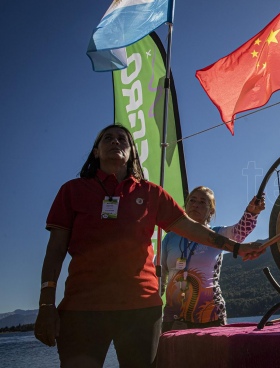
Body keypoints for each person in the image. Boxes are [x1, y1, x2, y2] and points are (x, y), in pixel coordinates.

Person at [33, 124, 264, 368]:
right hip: (82, 310)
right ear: (96, 152)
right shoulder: (72, 191)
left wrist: (236, 248)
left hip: (141, 311)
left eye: (122, 139)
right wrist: (46, 304)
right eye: (107, 138)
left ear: (132, 152)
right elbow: (55, 251)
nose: (115, 142)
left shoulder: (151, 193)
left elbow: (194, 229)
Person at [161, 186, 265, 331]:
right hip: (173, 317)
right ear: (185, 205)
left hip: (210, 315)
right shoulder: (169, 237)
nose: (196, 204)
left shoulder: (217, 233)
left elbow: (239, 232)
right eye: (192, 200)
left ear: (211, 211)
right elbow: (160, 276)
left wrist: (251, 213)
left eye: (202, 202)